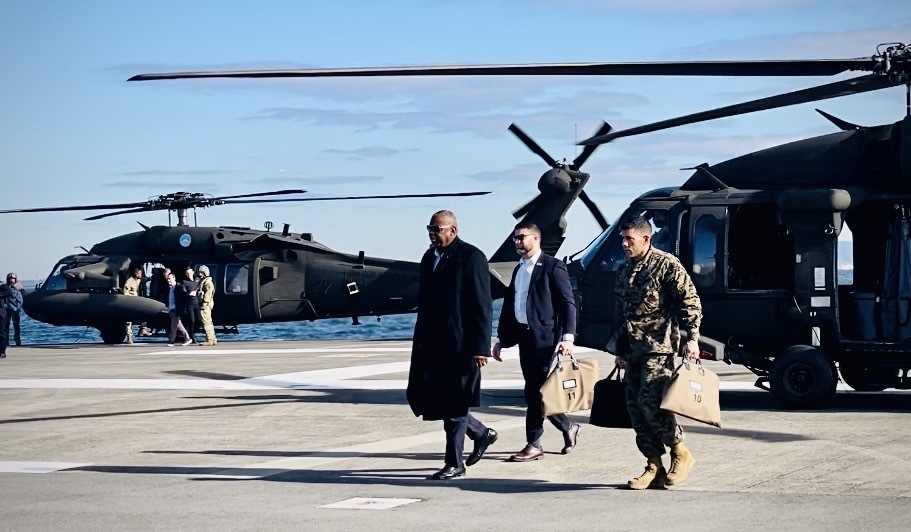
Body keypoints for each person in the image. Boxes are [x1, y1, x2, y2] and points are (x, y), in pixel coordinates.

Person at [613, 216, 702, 490]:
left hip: (658, 348)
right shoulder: (623, 270)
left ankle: (680, 451)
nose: (625, 244)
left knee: (650, 403)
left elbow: (690, 301)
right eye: (623, 239)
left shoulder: (666, 265)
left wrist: (692, 338)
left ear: (646, 239)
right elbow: (620, 312)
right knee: (635, 409)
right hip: (633, 350)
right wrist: (619, 348)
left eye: (629, 239)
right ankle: (653, 465)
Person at [407, 210, 496, 480]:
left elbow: (482, 305)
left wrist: (480, 347)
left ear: (453, 230)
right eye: (429, 229)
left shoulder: (471, 257)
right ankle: (481, 433)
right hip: (432, 344)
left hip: (461, 346)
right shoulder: (429, 258)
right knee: (439, 401)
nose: (432, 234)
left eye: (437, 229)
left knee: (456, 405)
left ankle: (455, 464)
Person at [492, 222, 581, 461]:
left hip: (547, 340)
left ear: (536, 238)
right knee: (535, 392)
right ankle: (568, 427)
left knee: (536, 392)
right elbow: (511, 307)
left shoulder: (553, 267)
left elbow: (568, 304)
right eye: (515, 238)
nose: (517, 242)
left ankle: (534, 444)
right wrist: (501, 339)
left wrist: (568, 337)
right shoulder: (519, 270)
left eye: (522, 237)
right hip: (526, 339)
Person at [165, 272, 192, 347]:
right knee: (179, 325)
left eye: (170, 278)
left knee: (173, 325)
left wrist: (182, 307)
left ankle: (171, 340)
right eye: (167, 279)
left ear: (174, 278)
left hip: (177, 309)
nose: (168, 280)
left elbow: (184, 297)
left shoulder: (179, 287)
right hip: (171, 308)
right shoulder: (169, 288)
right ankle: (187, 338)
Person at [122, 267, 144, 344]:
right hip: (131, 302)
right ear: (136, 274)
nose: (141, 275)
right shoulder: (129, 281)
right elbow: (125, 291)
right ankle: (129, 337)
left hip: (137, 301)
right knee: (128, 321)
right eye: (140, 274)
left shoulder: (138, 280)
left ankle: (143, 329)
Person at [197, 265, 216, 346]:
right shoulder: (204, 281)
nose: (200, 274)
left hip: (206, 305)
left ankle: (209, 339)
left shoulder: (207, 282)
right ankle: (212, 338)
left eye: (202, 273)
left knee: (206, 322)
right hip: (206, 304)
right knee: (208, 322)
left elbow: (208, 293)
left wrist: (204, 302)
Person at [181, 267, 201, 344]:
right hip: (189, 304)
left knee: (199, 320)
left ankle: (192, 332)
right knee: (192, 320)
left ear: (193, 272)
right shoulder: (185, 282)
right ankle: (191, 335)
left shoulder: (197, 280)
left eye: (190, 273)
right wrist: (189, 294)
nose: (189, 275)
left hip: (197, 303)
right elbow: (183, 292)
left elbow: (201, 285)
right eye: (187, 273)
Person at [4, 273, 24, 347]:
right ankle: (5, 341)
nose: (12, 280)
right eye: (10, 279)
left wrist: (18, 307)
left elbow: (20, 299)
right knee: (5, 326)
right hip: (6, 309)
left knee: (16, 326)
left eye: (13, 279)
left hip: (15, 309)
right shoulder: (5, 288)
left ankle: (17, 341)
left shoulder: (18, 288)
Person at [0, 281, 11, 358]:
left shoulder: (1, 285)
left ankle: (2, 351)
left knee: (2, 332)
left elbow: (9, 292)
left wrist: (0, 294)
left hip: (1, 313)